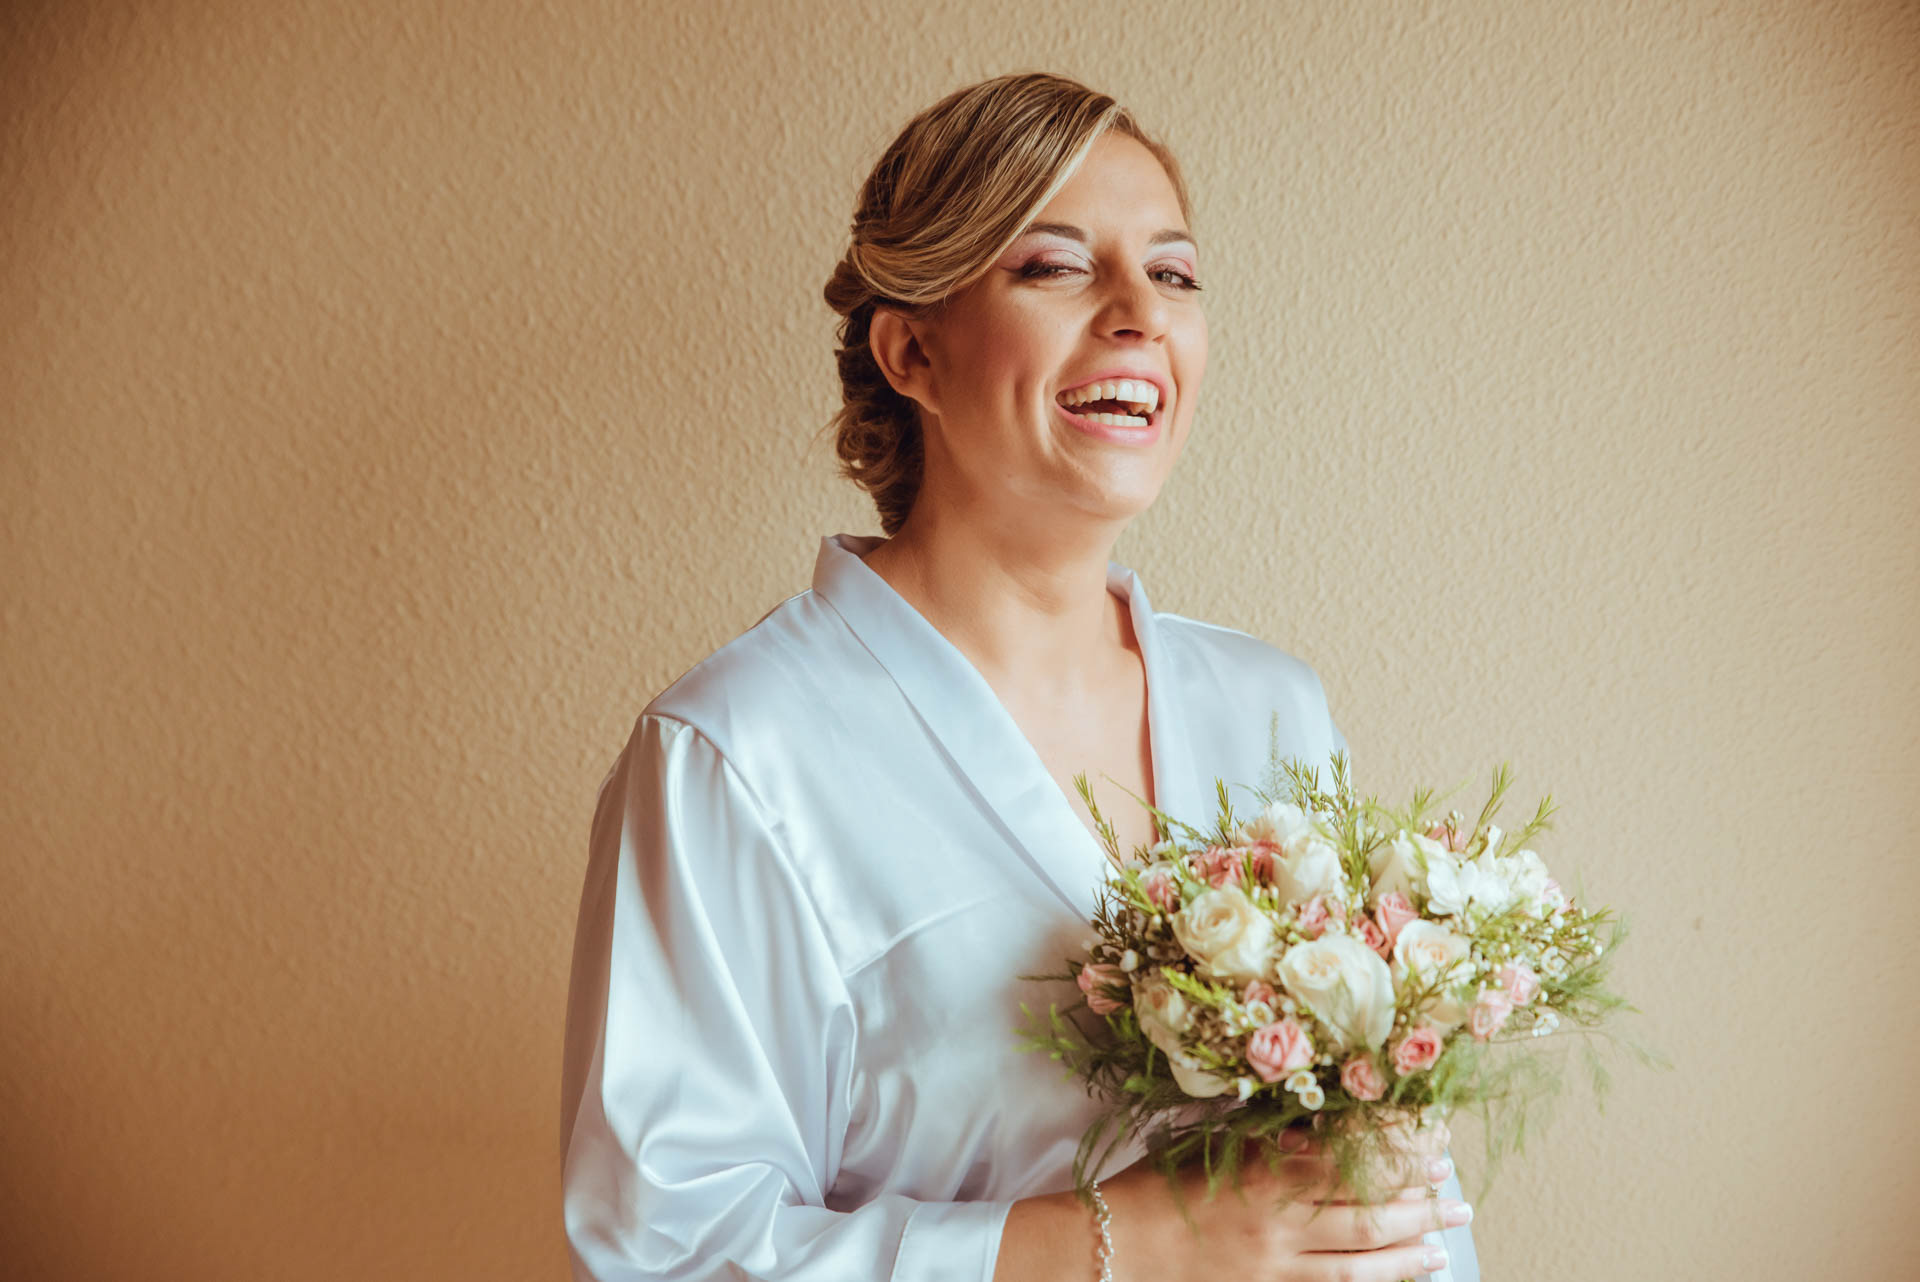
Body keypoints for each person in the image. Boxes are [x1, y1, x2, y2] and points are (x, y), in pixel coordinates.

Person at [559, 72, 1480, 1282]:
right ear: (912, 351)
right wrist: (1119, 1245)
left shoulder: (1271, 708)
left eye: (1175, 272)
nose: (1139, 311)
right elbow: (659, 1250)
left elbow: (1391, 1189)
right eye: (1054, 266)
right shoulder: (736, 756)